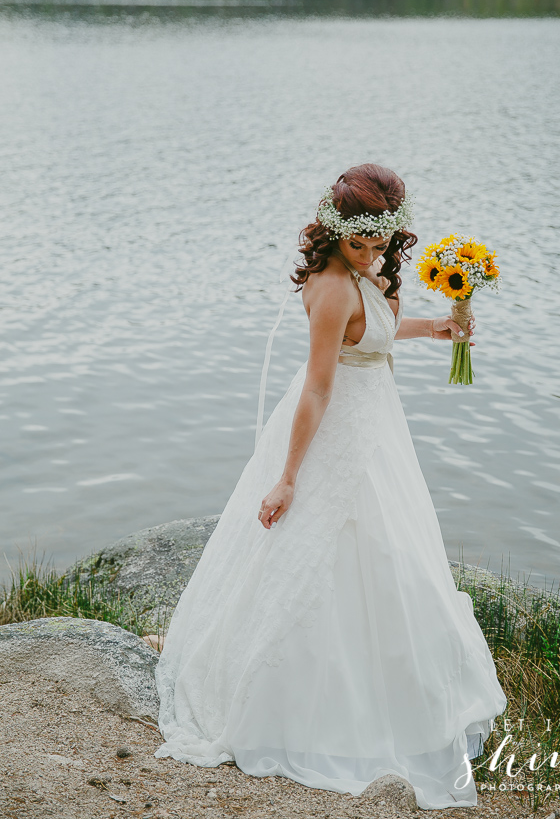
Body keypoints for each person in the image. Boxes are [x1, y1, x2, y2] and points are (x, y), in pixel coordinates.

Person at [154, 163, 508, 809]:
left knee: (385, 553)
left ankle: (388, 688)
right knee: (332, 549)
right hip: (335, 431)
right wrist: (287, 478)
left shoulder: (359, 273)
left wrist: (437, 328)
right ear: (336, 231)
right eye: (362, 244)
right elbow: (319, 386)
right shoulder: (330, 287)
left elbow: (366, 337)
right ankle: (299, 705)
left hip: (375, 426)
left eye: (382, 244)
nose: (373, 255)